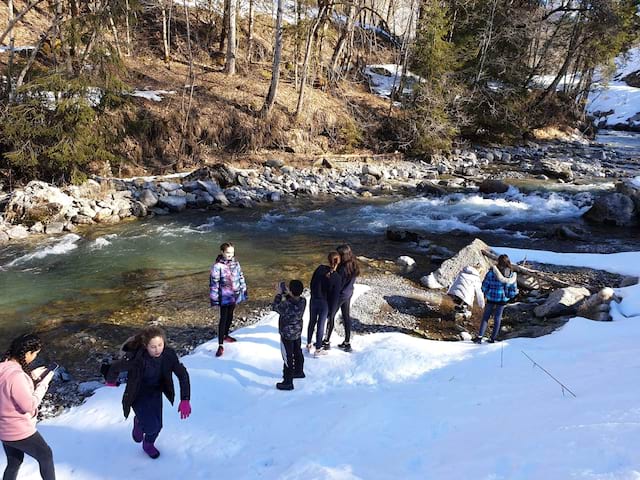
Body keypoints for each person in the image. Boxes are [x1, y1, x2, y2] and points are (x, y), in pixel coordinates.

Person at [105, 326, 191, 459]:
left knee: (158, 426)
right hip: (138, 393)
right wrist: (111, 381)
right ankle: (140, 422)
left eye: (160, 345)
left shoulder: (168, 355)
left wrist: (185, 399)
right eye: (153, 347)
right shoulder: (136, 359)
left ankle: (148, 443)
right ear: (146, 346)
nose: (157, 350)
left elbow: (182, 374)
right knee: (151, 426)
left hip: (155, 392)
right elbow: (115, 367)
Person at [0, 333, 56, 480]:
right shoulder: (17, 376)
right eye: (35, 354)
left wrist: (30, 376)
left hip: (3, 430)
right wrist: (43, 385)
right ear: (27, 353)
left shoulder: (3, 367)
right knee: (46, 455)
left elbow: (8, 389)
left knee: (14, 463)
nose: (35, 357)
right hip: (18, 431)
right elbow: (29, 406)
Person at [210, 242, 248, 358]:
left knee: (231, 315)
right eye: (227, 252)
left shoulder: (236, 263)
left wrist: (244, 290)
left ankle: (226, 334)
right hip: (224, 297)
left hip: (235, 294)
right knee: (223, 318)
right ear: (222, 252)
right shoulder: (217, 267)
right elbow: (214, 284)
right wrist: (214, 299)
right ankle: (220, 344)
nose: (230, 255)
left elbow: (241, 276)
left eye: (232, 252)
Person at [324, 244, 360, 353]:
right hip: (348, 293)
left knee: (331, 316)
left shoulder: (342, 269)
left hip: (339, 296)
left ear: (342, 256)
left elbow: (337, 285)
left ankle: (326, 342)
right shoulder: (354, 263)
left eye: (338, 255)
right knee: (346, 316)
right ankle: (347, 342)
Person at [474, 255, 518, 344]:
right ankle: (492, 339)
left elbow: (484, 285)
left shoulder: (491, 272)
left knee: (486, 317)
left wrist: (485, 293)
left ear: (498, 261)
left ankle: (479, 338)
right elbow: (513, 289)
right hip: (502, 299)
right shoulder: (511, 275)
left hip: (491, 298)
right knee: (497, 318)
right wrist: (509, 296)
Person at [272, 280, 307, 391]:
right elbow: (292, 300)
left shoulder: (286, 305)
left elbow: (275, 307)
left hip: (286, 334)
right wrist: (287, 294)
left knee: (287, 356)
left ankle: (288, 382)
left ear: (291, 291)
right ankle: (299, 371)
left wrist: (278, 294)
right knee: (297, 351)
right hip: (297, 332)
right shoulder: (303, 301)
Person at [307, 252, 341, 357]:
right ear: (338, 262)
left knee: (312, 321)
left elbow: (312, 283)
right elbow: (335, 297)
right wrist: (332, 311)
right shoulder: (337, 277)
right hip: (324, 303)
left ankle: (308, 344)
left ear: (328, 259)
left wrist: (313, 294)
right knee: (321, 325)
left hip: (314, 299)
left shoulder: (319, 269)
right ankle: (318, 349)